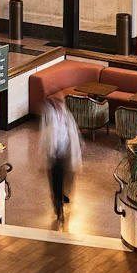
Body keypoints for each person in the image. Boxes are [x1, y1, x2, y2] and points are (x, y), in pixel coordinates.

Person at [44, 95, 81, 225]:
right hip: (55, 154)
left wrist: (77, 151)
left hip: (66, 152)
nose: (62, 105)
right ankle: (58, 203)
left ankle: (62, 195)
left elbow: (74, 133)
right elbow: (46, 136)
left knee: (67, 177)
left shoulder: (67, 116)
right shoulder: (50, 116)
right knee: (56, 178)